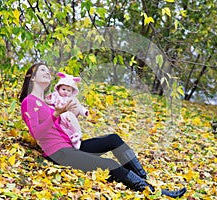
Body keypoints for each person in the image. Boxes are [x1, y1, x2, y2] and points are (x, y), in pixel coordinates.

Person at [19, 63, 187, 198]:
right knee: (110, 165)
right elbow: (38, 134)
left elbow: (61, 123)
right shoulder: (29, 101)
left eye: (48, 71)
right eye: (42, 70)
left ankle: (143, 178)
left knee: (113, 139)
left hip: (69, 147)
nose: (48, 72)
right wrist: (56, 113)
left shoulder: (48, 102)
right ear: (32, 77)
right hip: (58, 152)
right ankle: (154, 192)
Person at [45, 72, 89, 149]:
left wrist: (84, 111)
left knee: (73, 126)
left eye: (68, 90)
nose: (66, 92)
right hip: (60, 115)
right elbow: (51, 101)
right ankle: (71, 138)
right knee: (64, 129)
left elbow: (79, 106)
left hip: (69, 116)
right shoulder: (56, 95)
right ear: (58, 88)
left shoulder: (72, 99)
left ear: (72, 92)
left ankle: (76, 136)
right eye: (63, 89)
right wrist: (49, 98)